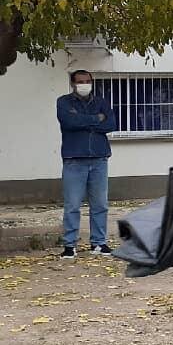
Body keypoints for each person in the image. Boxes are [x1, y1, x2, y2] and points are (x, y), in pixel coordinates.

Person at [56, 70, 117, 259]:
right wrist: (96, 119)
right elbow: (68, 122)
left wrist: (84, 121)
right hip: (74, 160)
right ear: (73, 84)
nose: (84, 84)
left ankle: (98, 243)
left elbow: (111, 124)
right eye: (80, 81)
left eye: (87, 81)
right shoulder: (64, 102)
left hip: (99, 158)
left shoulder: (101, 102)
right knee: (72, 205)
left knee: (100, 204)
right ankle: (69, 245)